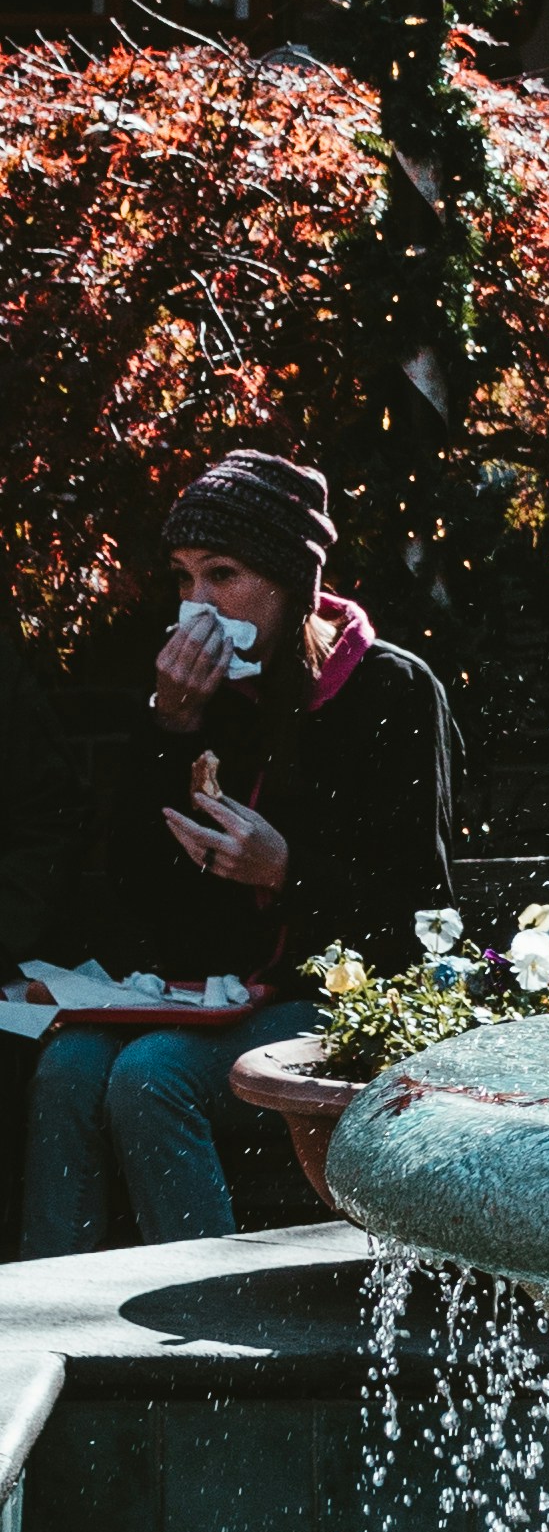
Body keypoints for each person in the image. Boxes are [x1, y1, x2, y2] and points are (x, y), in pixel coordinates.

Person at [16, 451, 456, 1258]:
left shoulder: (389, 690)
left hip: (325, 996)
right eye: (183, 580)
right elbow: (131, 890)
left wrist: (287, 873)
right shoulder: (198, 697)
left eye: (222, 575)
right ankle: (49, 1325)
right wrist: (168, 731)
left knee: (153, 1079)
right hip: (200, 997)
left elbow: (419, 915)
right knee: (68, 1069)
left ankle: (212, 1341)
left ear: (291, 580)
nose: (197, 607)